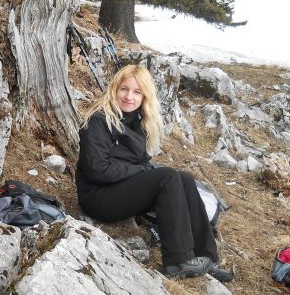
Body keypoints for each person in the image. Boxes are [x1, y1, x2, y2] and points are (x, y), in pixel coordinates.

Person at [76, 64, 233, 282]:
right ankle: (178, 261)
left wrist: (142, 169)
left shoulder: (137, 122)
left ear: (144, 97)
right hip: (98, 197)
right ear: (115, 89)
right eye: (124, 89)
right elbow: (97, 170)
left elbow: (138, 163)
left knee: (184, 178)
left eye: (137, 92)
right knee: (167, 177)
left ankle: (207, 256)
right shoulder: (98, 121)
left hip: (121, 190)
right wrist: (141, 170)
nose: (129, 96)